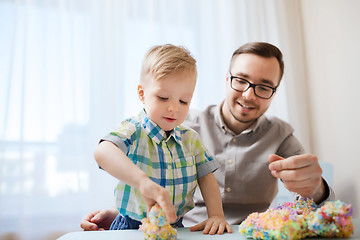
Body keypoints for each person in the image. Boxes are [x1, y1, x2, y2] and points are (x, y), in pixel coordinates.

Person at [81, 42, 334, 231]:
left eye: (264, 86)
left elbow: (320, 202)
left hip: (244, 233)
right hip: (184, 229)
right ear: (226, 79)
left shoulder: (281, 135)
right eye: (241, 80)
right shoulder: (180, 123)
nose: (248, 94)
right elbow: (112, 154)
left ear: (274, 92)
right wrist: (121, 212)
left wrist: (318, 188)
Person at [92, 44, 232, 234]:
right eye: (163, 97)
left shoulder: (191, 139)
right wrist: (143, 182)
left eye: (184, 101)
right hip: (132, 226)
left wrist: (216, 215)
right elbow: (103, 152)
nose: (174, 108)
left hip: (175, 227)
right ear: (142, 94)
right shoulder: (133, 129)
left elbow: (207, 179)